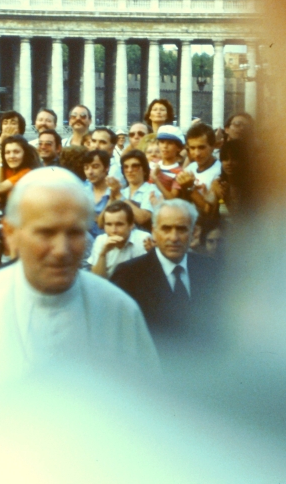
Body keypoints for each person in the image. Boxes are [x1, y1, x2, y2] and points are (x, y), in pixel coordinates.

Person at [0, 168, 159, 397]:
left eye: (74, 233)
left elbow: (146, 408)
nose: (61, 250)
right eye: (45, 233)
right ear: (11, 233)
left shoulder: (118, 311)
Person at [111, 199, 218, 356]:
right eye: (166, 229)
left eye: (181, 229)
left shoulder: (212, 270)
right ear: (154, 232)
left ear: (194, 232)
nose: (173, 237)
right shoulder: (128, 275)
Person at [86, 201, 151, 278]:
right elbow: (97, 280)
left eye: (119, 224)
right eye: (109, 224)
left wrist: (152, 253)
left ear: (131, 225)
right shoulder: (100, 240)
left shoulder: (143, 239)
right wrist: (103, 254)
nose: (113, 230)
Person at [175, 123, 221, 222]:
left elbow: (209, 212)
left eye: (201, 147)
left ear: (213, 146)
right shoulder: (189, 168)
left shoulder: (220, 171)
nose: (197, 153)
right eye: (192, 148)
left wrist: (191, 188)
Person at [109, 149, 162, 230]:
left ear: (144, 170)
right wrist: (112, 196)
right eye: (126, 167)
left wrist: (119, 196)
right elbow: (102, 223)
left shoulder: (152, 190)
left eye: (135, 166)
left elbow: (142, 218)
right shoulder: (122, 191)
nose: (129, 170)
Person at [82, 149, 112, 238]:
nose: (90, 172)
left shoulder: (114, 192)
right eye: (86, 168)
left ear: (106, 168)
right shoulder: (81, 191)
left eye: (95, 166)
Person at [150, 125, 186, 198]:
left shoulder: (179, 173)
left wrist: (155, 178)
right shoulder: (153, 162)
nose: (165, 146)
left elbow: (172, 198)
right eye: (162, 142)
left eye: (170, 143)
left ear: (179, 148)